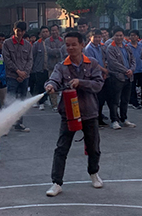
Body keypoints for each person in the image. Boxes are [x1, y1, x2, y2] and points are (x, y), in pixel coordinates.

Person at [44, 31, 105, 197]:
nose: (70, 48)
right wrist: (50, 86)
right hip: (69, 114)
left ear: (82, 45)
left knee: (93, 147)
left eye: (73, 44)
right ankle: (56, 182)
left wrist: (81, 82)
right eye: (67, 45)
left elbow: (98, 84)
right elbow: (54, 79)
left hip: (89, 112)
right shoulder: (61, 66)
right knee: (61, 148)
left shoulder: (92, 63)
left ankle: (94, 173)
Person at [3, 21, 33, 132]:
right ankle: (6, 125)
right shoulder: (7, 43)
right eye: (18, 30)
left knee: (21, 101)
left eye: (22, 31)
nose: (19, 33)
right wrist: (17, 71)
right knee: (10, 100)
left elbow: (30, 60)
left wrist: (24, 73)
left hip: (24, 77)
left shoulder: (27, 45)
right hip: (12, 76)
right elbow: (7, 60)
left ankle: (19, 123)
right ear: (14, 29)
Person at [105, 27, 136, 129]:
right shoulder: (111, 48)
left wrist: (131, 69)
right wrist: (126, 70)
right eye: (117, 35)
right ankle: (114, 120)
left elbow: (133, 59)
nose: (119, 37)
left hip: (128, 77)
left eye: (121, 35)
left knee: (125, 100)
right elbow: (113, 63)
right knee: (115, 100)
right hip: (117, 77)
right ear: (113, 36)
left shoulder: (127, 46)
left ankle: (124, 118)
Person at [42, 24, 65, 109]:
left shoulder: (62, 40)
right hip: (51, 66)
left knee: (63, 86)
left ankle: (62, 104)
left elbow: (64, 50)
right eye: (52, 30)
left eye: (55, 30)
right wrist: (58, 51)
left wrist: (56, 52)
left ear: (58, 30)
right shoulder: (47, 41)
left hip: (62, 67)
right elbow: (49, 51)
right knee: (52, 85)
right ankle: (54, 104)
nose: (54, 32)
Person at [30, 26, 50, 111]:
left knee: (47, 85)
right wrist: (32, 67)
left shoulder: (50, 42)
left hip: (48, 68)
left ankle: (44, 99)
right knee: (39, 85)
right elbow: (32, 56)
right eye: (43, 32)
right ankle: (40, 102)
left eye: (46, 31)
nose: (45, 33)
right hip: (39, 68)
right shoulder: (36, 44)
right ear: (40, 34)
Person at [127, 30, 142, 110]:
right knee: (132, 87)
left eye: (135, 35)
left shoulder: (141, 46)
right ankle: (134, 102)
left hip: (141, 69)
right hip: (132, 70)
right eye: (132, 35)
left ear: (138, 37)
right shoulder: (127, 46)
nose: (133, 37)